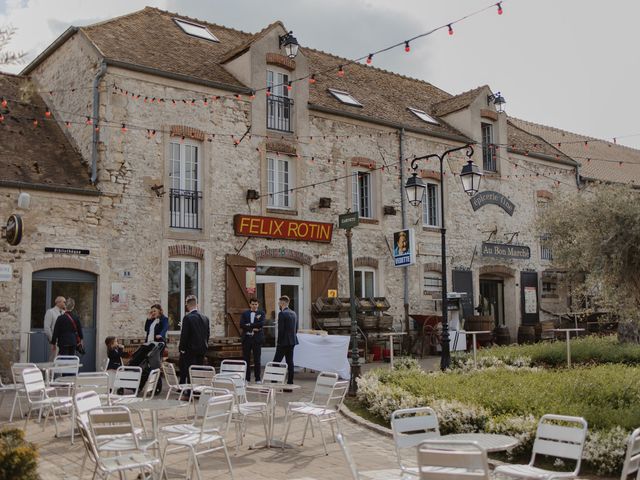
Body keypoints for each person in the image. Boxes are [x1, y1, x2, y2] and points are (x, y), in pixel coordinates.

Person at [178, 295, 210, 386]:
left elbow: (184, 336)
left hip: (190, 350)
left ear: (187, 305)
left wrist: (181, 348)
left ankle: (189, 392)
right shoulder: (205, 318)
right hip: (202, 349)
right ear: (197, 305)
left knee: (190, 371)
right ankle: (197, 391)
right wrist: (205, 345)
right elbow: (207, 334)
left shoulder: (187, 318)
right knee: (199, 371)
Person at [272, 295, 298, 385]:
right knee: (290, 362)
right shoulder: (294, 313)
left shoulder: (282, 314)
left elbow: (281, 330)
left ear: (283, 303)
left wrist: (279, 342)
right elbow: (296, 329)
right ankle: (290, 382)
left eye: (279, 303)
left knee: (275, 362)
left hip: (283, 342)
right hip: (292, 341)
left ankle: (274, 381)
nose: (279, 305)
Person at [240, 298, 265, 383]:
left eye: (256, 304)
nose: (254, 306)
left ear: (258, 305)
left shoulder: (261, 313)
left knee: (257, 359)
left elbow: (261, 324)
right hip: (246, 339)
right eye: (253, 304)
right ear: (250, 304)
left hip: (257, 339)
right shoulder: (245, 313)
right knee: (246, 359)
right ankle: (247, 378)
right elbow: (241, 325)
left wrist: (249, 325)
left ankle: (258, 378)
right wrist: (253, 328)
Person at [44, 296, 66, 360]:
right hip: (55, 342)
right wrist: (53, 341)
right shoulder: (50, 312)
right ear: (58, 302)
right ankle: (50, 370)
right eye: (64, 302)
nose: (65, 303)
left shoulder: (65, 313)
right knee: (53, 360)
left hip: (64, 342)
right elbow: (47, 328)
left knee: (63, 361)